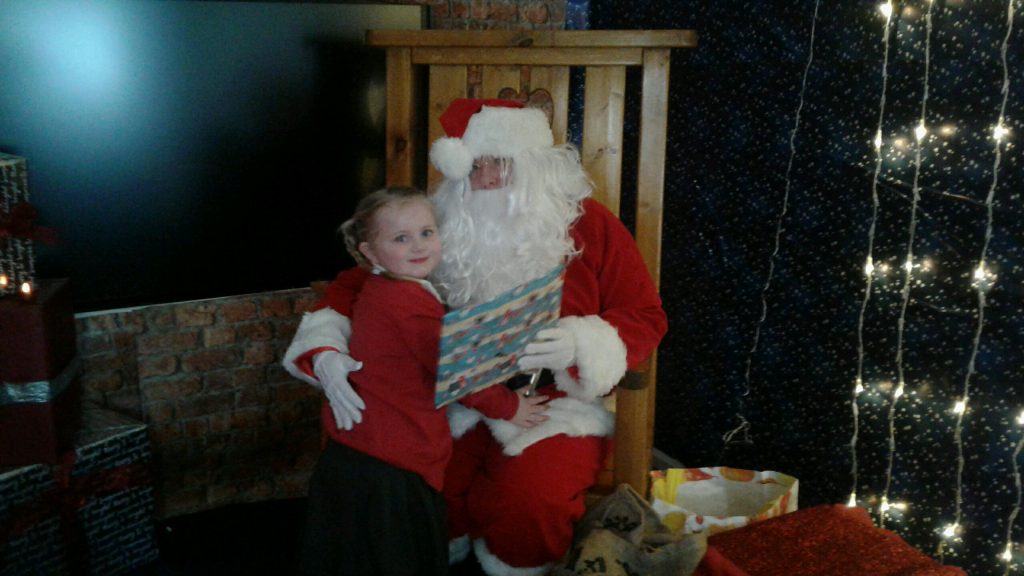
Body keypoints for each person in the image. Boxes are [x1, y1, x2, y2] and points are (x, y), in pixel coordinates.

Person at [285, 100, 668, 575]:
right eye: (474, 166)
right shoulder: (438, 223)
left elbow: (644, 314)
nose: (485, 179)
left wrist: (580, 343)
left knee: (529, 504)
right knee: (408, 488)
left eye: (500, 163)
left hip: (552, 404)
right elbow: (358, 285)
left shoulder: (590, 224)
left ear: (534, 165)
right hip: (448, 399)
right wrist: (324, 350)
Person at [289, 186, 548, 576]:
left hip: (361, 449)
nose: (419, 246)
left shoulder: (385, 287)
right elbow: (457, 372)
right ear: (370, 252)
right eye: (401, 238)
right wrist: (511, 407)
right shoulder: (408, 302)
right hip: (392, 463)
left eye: (427, 232)